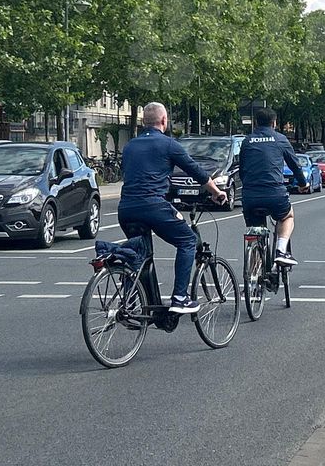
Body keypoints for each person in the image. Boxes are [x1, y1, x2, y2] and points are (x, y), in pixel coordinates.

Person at [119, 102, 224, 314]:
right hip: (153, 206)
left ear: (143, 122)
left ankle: (130, 303)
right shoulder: (168, 145)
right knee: (187, 241)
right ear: (164, 121)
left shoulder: (130, 146)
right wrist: (216, 192)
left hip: (126, 208)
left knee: (138, 253)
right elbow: (196, 171)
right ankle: (180, 298)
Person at [238, 107, 305, 266]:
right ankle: (281, 251)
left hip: (250, 196)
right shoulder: (280, 139)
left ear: (255, 123)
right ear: (274, 123)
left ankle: (252, 277)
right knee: (287, 216)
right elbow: (295, 165)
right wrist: (303, 183)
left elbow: (242, 169)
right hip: (275, 194)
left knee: (254, 232)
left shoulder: (247, 141)